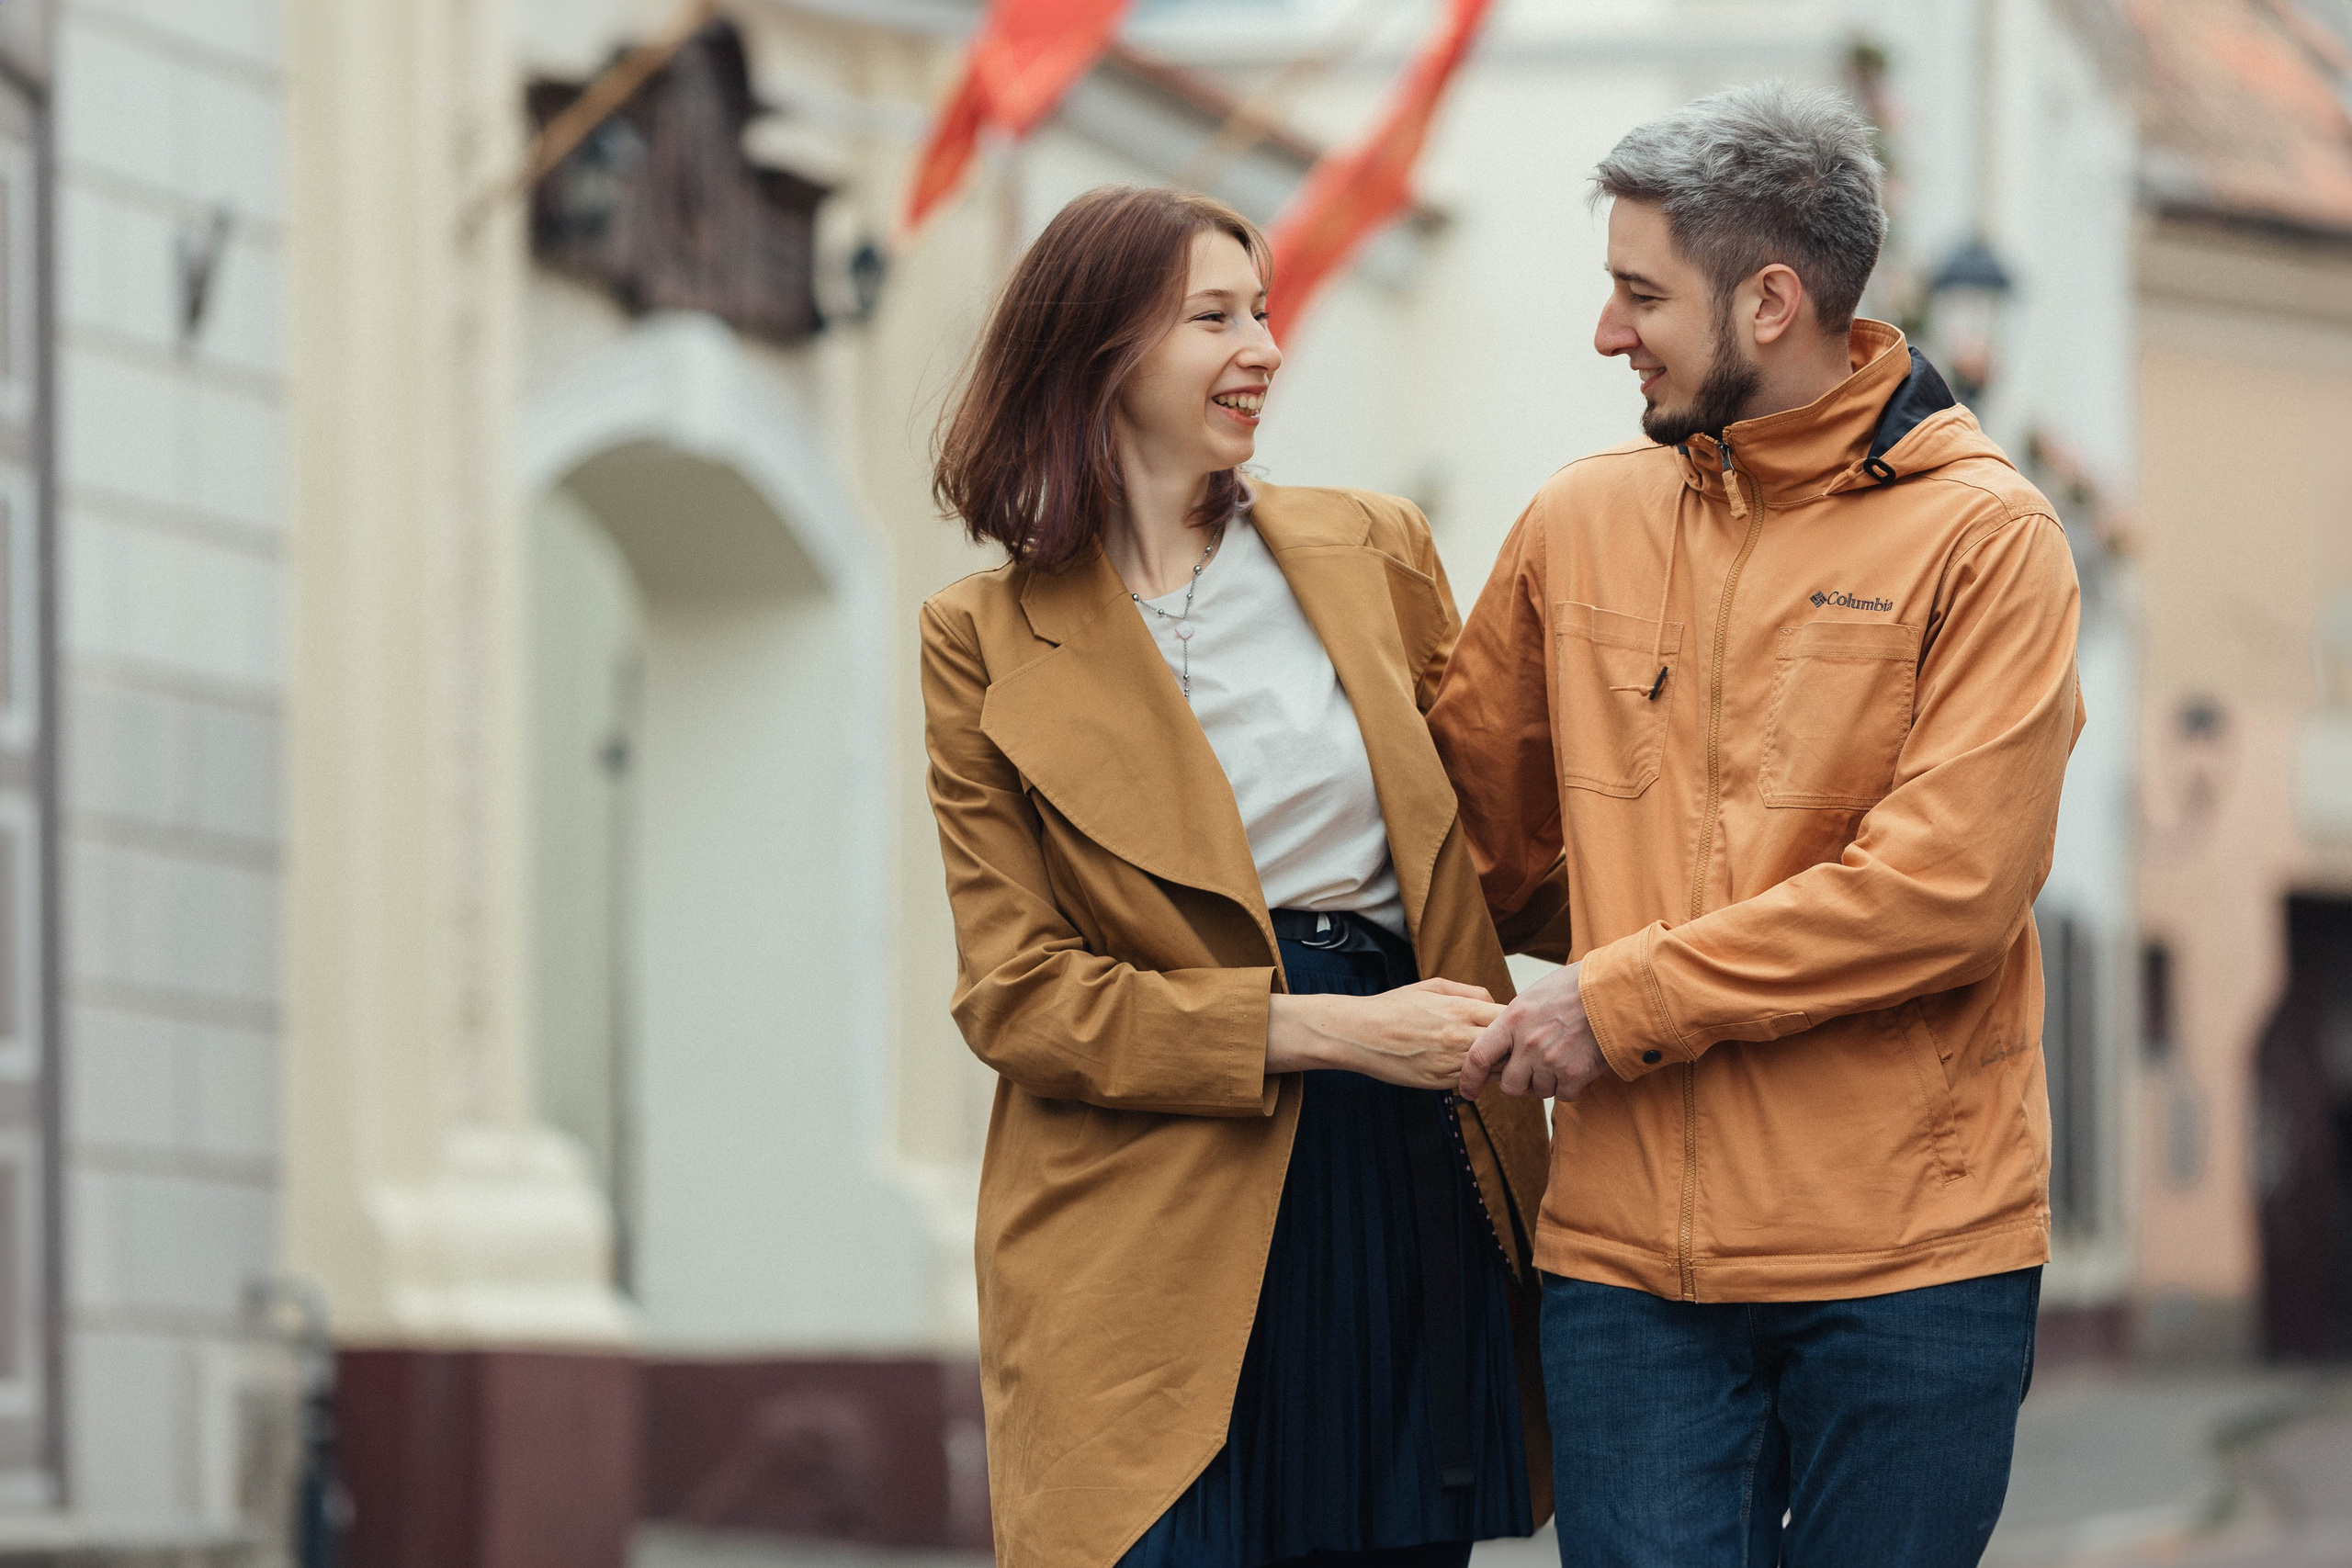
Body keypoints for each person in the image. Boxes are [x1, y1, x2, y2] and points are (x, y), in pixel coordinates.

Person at [1427, 85, 2083, 1566]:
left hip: (1914, 1261)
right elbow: (1473, 851)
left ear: (1771, 300)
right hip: (1628, 1267)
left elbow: (1946, 891)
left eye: (1640, 294)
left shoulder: (1989, 541)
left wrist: (1630, 993)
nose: (1609, 335)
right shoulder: (1575, 522)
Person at [921, 185, 1555, 1568]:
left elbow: (1509, 846)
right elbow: (1017, 997)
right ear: (1098, 350)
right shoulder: (980, 640)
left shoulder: (1371, 549)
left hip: (1398, 1171)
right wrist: (1327, 1029)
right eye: (1214, 316)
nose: (1264, 345)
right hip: (1134, 1206)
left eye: (1261, 311)